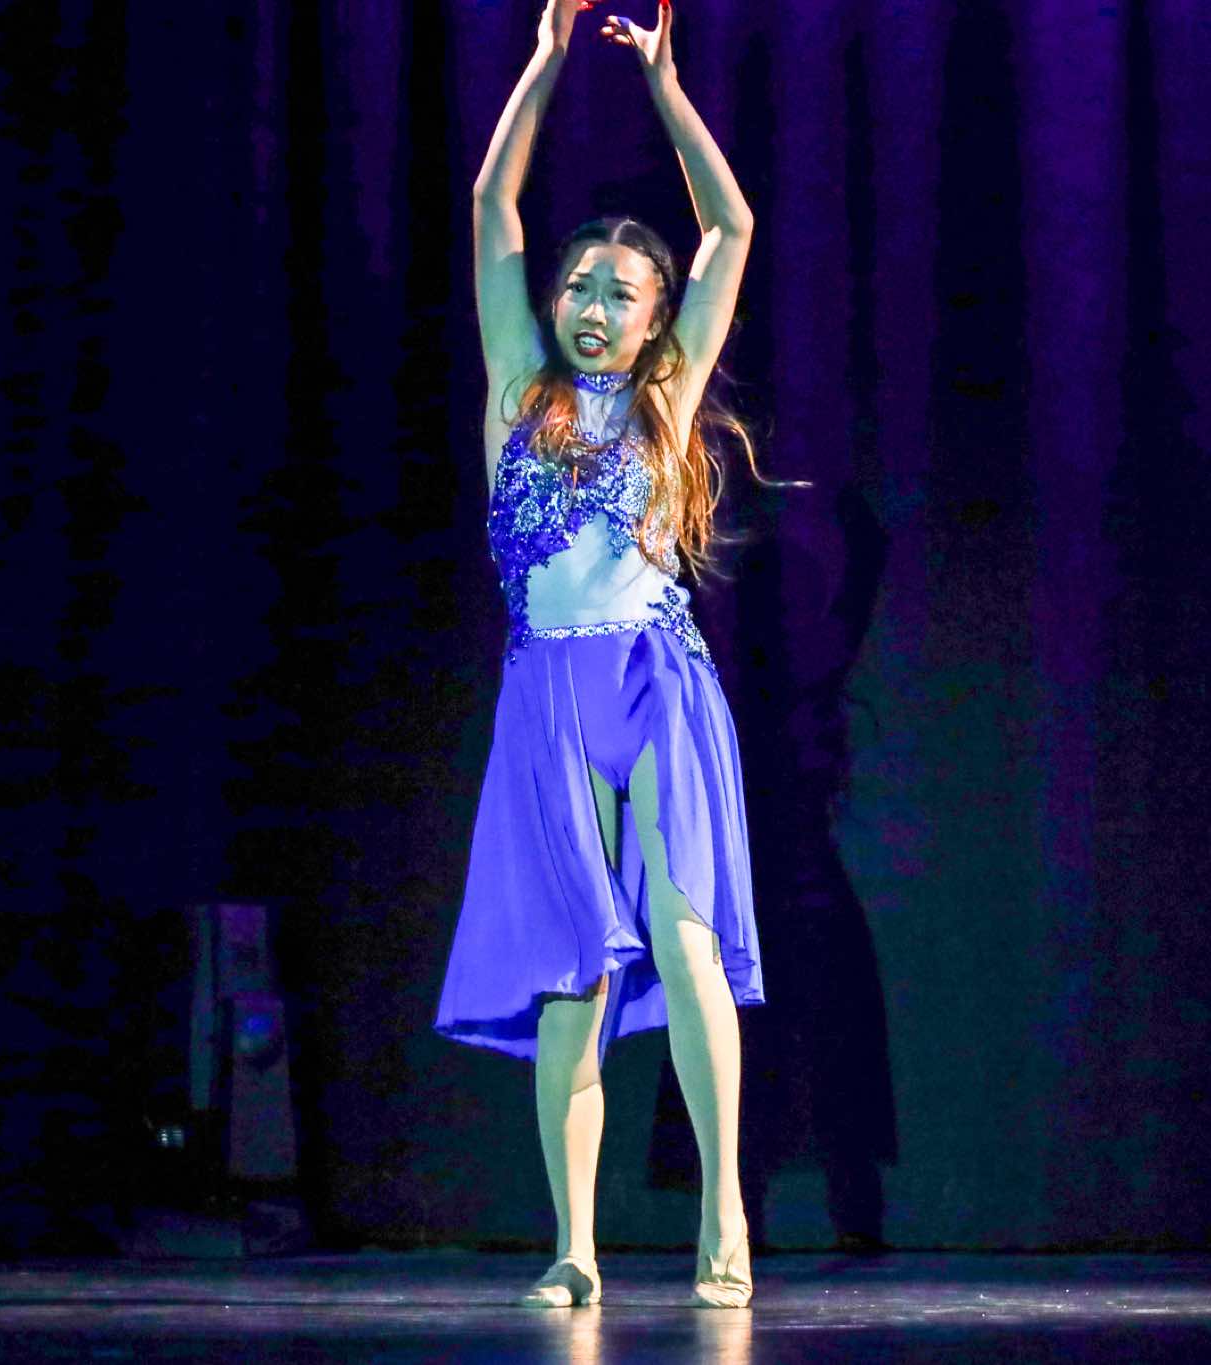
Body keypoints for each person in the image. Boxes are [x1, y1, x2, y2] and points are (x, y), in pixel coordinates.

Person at [433, 0, 785, 1312]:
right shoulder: (514, 386)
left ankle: (721, 1213)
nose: (592, 307)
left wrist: (666, 91)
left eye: (620, 295)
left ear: (653, 325)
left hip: (654, 676)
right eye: (580, 285)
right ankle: (573, 1243)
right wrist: (540, 65)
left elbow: (730, 230)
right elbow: (492, 208)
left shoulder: (664, 401)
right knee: (571, 971)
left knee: (686, 943)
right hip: (549, 693)